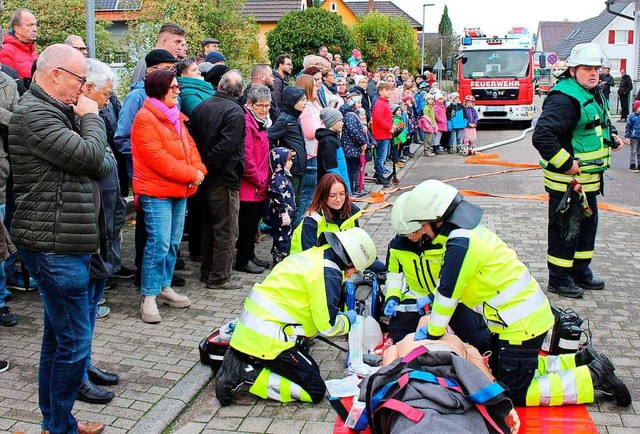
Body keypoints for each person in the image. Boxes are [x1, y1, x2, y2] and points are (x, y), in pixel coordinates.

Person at [396, 179, 631, 408]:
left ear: (436, 218)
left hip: (519, 325)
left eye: (422, 224)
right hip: (523, 318)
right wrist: (429, 298)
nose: (423, 232)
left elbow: (448, 296)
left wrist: (434, 330)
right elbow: (453, 283)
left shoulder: (460, 245)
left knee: (515, 393)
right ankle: (579, 360)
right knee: (504, 369)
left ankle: (593, 377)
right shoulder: (469, 233)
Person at [9, 43, 114, 434]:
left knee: (58, 337)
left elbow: (101, 162)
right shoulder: (36, 115)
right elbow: (92, 158)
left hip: (63, 240)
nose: (83, 90)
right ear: (55, 75)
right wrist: (91, 118)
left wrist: (88, 129)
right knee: (73, 342)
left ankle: (57, 421)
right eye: (79, 81)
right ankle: (59, 428)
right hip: (54, 244)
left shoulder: (53, 112)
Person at [215, 227, 377, 406]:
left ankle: (245, 359)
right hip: (268, 338)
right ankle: (247, 375)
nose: (353, 274)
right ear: (350, 262)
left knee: (310, 368)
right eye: (356, 271)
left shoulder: (313, 256)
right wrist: (347, 320)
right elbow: (327, 327)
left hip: (251, 330)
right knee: (315, 390)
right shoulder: (329, 273)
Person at [532, 43, 624, 299]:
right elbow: (543, 136)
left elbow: (597, 124)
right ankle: (559, 279)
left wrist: (612, 137)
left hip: (589, 181)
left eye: (596, 68)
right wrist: (566, 162)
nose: (593, 73)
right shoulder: (564, 98)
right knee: (566, 230)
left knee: (586, 228)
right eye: (587, 69)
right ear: (573, 71)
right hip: (567, 183)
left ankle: (580, 272)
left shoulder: (593, 92)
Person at [131, 69, 206, 323]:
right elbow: (158, 159)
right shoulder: (145, 118)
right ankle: (149, 297)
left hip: (179, 190)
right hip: (156, 192)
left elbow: (190, 148)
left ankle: (164, 288)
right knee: (159, 244)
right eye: (173, 86)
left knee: (172, 243)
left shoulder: (175, 117)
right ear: (160, 89)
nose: (178, 90)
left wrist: (199, 170)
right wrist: (192, 174)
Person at [74, 58, 126, 405]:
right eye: (106, 94)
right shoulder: (78, 122)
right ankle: (75, 376)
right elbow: (99, 161)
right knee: (76, 315)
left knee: (91, 307)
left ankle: (85, 364)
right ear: (88, 90)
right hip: (85, 233)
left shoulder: (94, 117)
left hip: (103, 229)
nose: (109, 101)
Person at [384, 192, 491, 350]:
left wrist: (432, 297)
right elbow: (394, 275)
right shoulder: (396, 246)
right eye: (404, 234)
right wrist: (392, 296)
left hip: (451, 296)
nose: (410, 237)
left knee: (479, 338)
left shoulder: (445, 243)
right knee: (398, 336)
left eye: (413, 233)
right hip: (416, 296)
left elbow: (452, 279)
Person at [190, 70, 245, 290]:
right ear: (240, 91)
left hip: (204, 176)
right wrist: (207, 167)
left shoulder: (202, 106)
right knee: (226, 229)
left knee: (209, 227)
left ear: (220, 85)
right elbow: (226, 147)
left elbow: (192, 139)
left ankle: (207, 271)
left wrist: (201, 168)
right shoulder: (235, 112)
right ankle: (219, 277)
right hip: (222, 177)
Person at [236, 85, 272, 274]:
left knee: (252, 227)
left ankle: (250, 255)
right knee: (246, 226)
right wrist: (259, 180)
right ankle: (243, 259)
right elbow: (247, 159)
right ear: (250, 104)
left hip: (259, 184)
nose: (265, 110)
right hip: (250, 186)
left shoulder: (261, 122)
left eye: (267, 106)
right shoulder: (248, 124)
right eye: (261, 106)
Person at [290, 173, 361, 255]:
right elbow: (310, 256)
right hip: (311, 262)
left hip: (341, 260)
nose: (338, 199)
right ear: (323, 195)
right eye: (332, 195)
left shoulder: (351, 212)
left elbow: (359, 245)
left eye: (342, 194)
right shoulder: (312, 220)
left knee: (377, 266)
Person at [268, 86, 308, 209]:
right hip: (291, 169)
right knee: (292, 203)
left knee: (298, 201)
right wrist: (283, 154)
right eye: (302, 100)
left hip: (299, 168)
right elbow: (268, 137)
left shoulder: (295, 118)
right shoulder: (285, 120)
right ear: (292, 101)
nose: (305, 103)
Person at [0, 67, 19, 328]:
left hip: (1, 175)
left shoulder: (7, 81)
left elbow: (19, 118)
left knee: (1, 247)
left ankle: (1, 298)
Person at [295, 73, 323, 223]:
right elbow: (310, 132)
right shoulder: (306, 108)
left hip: (314, 153)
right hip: (309, 155)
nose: (318, 88)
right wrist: (324, 127)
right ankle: (300, 229)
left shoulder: (314, 105)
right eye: (315, 85)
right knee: (306, 196)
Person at [268, 147, 296, 265]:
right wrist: (284, 213)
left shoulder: (283, 177)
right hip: (281, 216)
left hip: (287, 215)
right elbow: (277, 197)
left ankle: (281, 256)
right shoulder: (277, 179)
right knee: (282, 237)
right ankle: (280, 259)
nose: (291, 163)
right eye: (289, 161)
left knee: (285, 235)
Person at [0, 9, 38, 90]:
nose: (35, 29)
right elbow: (8, 86)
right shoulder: (6, 51)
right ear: (17, 28)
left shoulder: (33, 51)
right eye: (30, 25)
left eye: (35, 25)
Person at [316, 108, 350, 194]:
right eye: (339, 120)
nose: (342, 123)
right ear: (331, 122)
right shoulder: (328, 141)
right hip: (335, 183)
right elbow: (331, 167)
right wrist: (341, 185)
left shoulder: (333, 138)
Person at [339, 93, 369, 192]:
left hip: (352, 148)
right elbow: (353, 132)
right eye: (358, 103)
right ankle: (350, 190)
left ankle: (354, 189)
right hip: (350, 148)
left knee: (353, 169)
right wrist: (363, 141)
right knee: (351, 171)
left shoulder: (352, 115)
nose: (360, 105)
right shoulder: (350, 116)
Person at [371, 81, 394, 184]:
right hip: (381, 134)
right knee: (381, 156)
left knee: (384, 155)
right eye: (386, 90)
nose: (389, 92)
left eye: (389, 90)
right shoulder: (380, 103)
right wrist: (389, 127)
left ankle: (378, 173)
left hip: (385, 133)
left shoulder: (384, 102)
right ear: (380, 91)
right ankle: (379, 176)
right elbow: (378, 118)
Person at [624, 100, 640, 172]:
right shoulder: (632, 117)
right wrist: (627, 136)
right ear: (636, 108)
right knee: (633, 151)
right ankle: (632, 165)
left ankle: (639, 165)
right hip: (634, 137)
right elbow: (628, 127)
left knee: (639, 152)